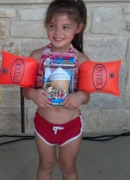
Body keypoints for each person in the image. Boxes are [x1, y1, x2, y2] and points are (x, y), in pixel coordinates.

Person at [22, 0, 90, 180]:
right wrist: (33, 93)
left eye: (66, 27)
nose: (58, 32)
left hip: (71, 126)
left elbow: (86, 95)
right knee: (46, 164)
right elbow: (25, 90)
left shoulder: (82, 61)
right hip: (44, 124)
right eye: (52, 25)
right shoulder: (36, 57)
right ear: (46, 26)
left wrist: (80, 96)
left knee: (68, 167)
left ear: (78, 28)